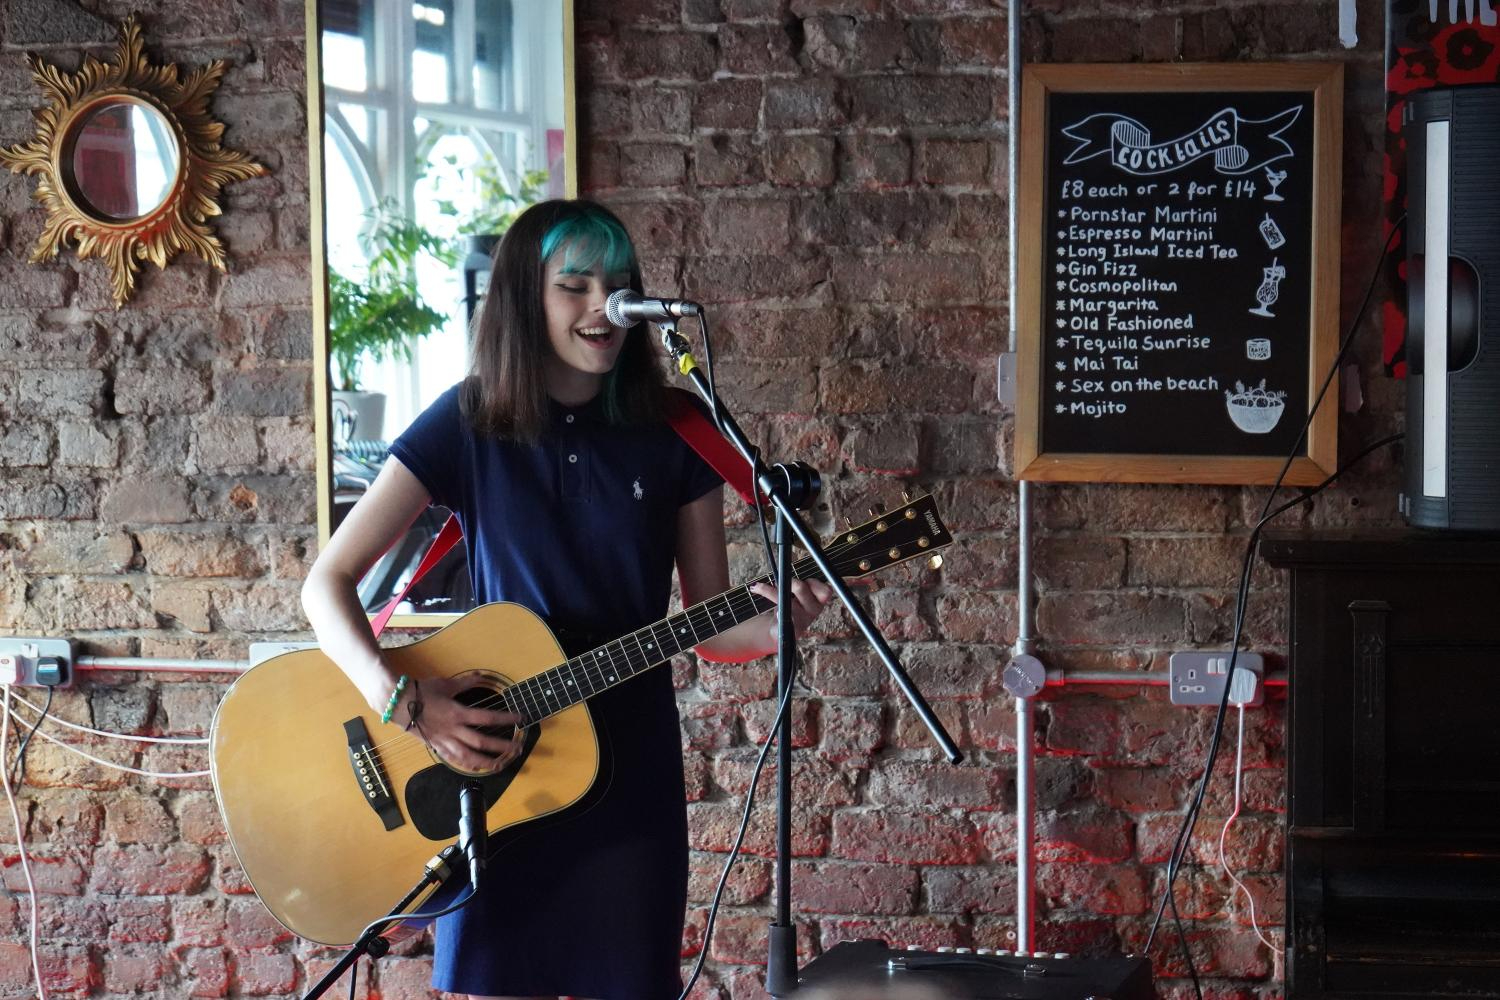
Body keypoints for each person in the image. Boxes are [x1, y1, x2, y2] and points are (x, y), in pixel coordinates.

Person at [301, 199, 832, 1000]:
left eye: (618, 286)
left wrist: (781, 620)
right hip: (500, 771)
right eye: (574, 285)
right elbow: (325, 585)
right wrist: (404, 703)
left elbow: (713, 626)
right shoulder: (469, 419)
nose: (602, 306)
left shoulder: (676, 428)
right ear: (524, 297)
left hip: (630, 768)